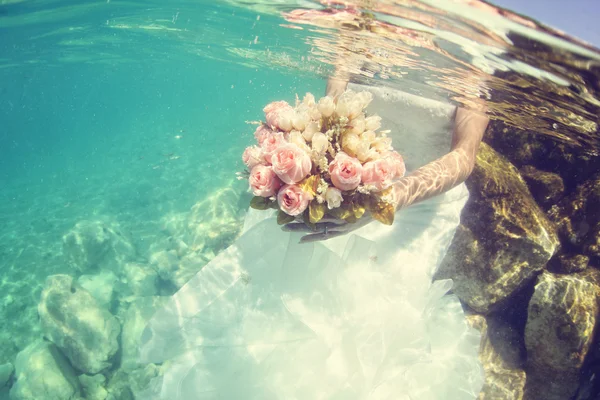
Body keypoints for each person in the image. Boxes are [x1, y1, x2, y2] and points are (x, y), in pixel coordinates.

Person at [137, 20, 490, 400]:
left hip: (417, 209)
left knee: (372, 316)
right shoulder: (361, 20)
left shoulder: (475, 41)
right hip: (341, 194)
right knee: (293, 301)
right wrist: (307, 168)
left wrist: (386, 201)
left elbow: (464, 157)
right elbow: (331, 113)